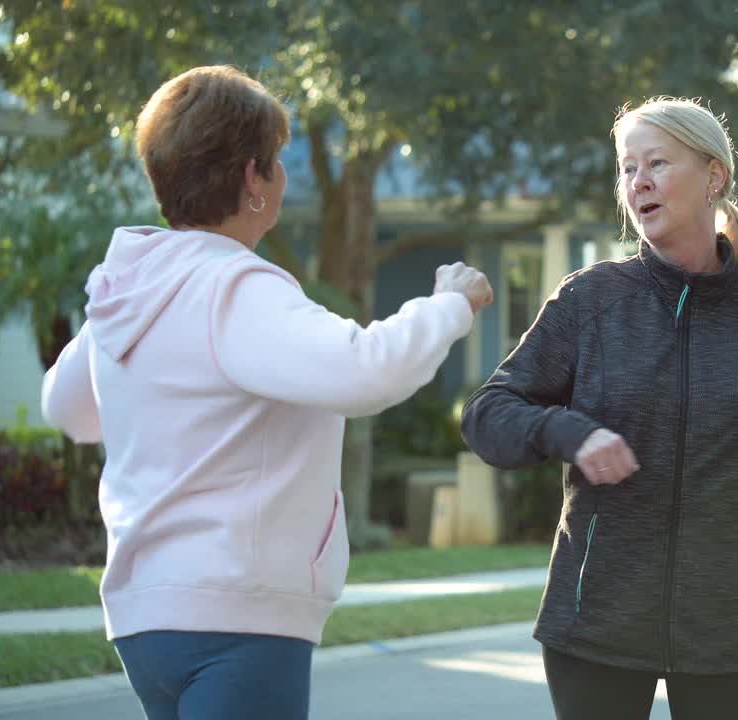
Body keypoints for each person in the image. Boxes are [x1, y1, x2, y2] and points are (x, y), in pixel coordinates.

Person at [40, 65, 492, 720]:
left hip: (145, 620)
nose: (281, 174)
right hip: (236, 616)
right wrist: (449, 306)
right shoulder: (236, 288)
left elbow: (67, 407)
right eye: (276, 160)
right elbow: (366, 370)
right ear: (253, 179)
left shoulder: (128, 289)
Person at [461, 96, 738, 720]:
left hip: (731, 629)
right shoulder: (591, 302)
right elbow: (487, 414)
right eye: (627, 169)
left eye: (656, 163)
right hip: (597, 618)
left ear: (714, 177)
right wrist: (568, 431)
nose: (638, 182)